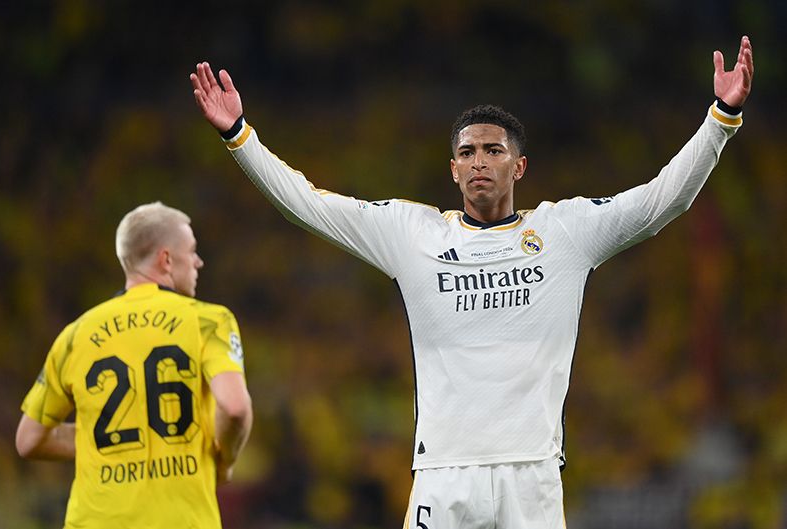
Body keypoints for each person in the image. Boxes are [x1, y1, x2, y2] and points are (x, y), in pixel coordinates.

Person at [190, 35, 753, 528]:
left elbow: (662, 200)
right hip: (444, 473)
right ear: (453, 169)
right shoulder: (411, 234)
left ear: (519, 166)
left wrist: (719, 121)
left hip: (530, 473)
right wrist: (241, 135)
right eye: (467, 152)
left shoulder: (566, 231)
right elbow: (306, 204)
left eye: (493, 150)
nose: (479, 160)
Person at [16, 202, 253, 529]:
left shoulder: (75, 334)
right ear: (166, 259)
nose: (198, 261)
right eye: (193, 250)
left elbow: (28, 440)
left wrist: (110, 439)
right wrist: (225, 457)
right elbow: (235, 406)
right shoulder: (209, 321)